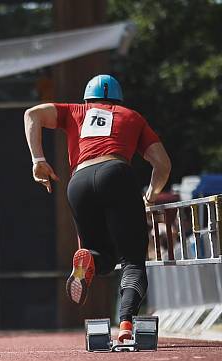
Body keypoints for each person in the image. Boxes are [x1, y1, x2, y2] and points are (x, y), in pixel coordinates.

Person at [24, 74, 171, 342]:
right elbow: (162, 164)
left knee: (102, 260)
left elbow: (32, 114)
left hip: (78, 181)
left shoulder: (75, 111)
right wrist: (151, 193)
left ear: (87, 97)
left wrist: (38, 160)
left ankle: (88, 259)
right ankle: (126, 324)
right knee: (133, 261)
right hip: (116, 173)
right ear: (118, 98)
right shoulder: (132, 116)